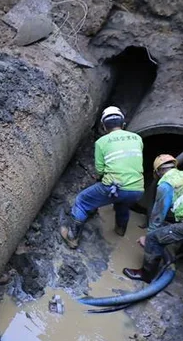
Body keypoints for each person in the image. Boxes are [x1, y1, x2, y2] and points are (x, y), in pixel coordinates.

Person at [123, 154, 183, 282]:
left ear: (157, 172)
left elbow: (158, 216)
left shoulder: (165, 185)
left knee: (154, 239)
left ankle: (146, 275)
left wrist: (148, 237)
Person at [60, 106, 145, 248]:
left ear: (104, 126)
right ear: (123, 124)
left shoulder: (101, 142)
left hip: (115, 187)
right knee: (123, 205)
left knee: (82, 200)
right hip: (137, 189)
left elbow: (100, 170)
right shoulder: (137, 138)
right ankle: (120, 230)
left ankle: (72, 236)